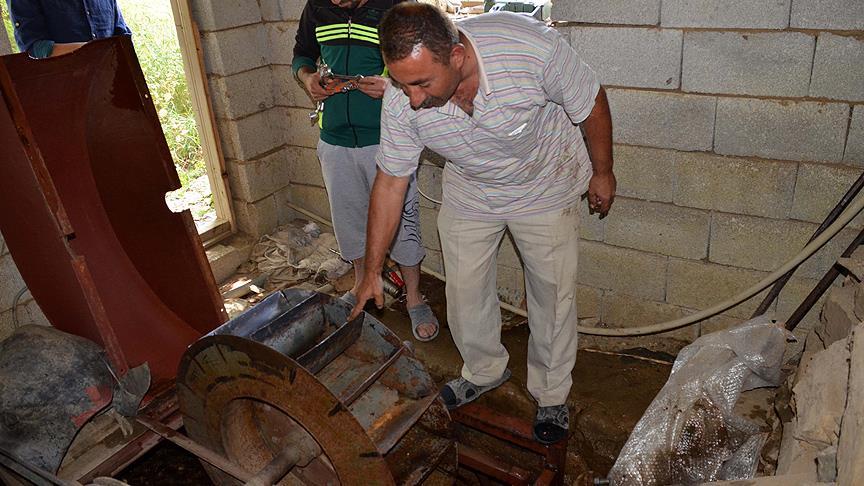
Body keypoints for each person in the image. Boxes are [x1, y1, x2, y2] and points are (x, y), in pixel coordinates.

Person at [349, 3, 615, 444]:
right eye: (401, 83)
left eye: (421, 84)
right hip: (471, 189)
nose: (411, 98)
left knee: (552, 294)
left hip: (544, 184)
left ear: (457, 56)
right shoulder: (401, 99)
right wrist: (372, 270)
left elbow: (591, 102)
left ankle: (551, 393)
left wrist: (602, 172)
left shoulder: (528, 48)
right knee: (465, 290)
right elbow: (391, 183)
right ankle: (484, 370)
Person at [293, 0, 439, 341]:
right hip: (335, 139)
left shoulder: (394, 6)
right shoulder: (317, 7)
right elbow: (301, 54)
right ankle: (363, 285)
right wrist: (307, 78)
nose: (335, 1)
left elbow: (424, 64)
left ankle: (414, 296)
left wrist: (391, 86)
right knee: (350, 222)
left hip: (388, 141)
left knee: (402, 224)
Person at [7, 0, 131, 58]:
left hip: (113, 89)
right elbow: (35, 48)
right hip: (65, 92)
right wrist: (95, 54)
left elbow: (123, 38)